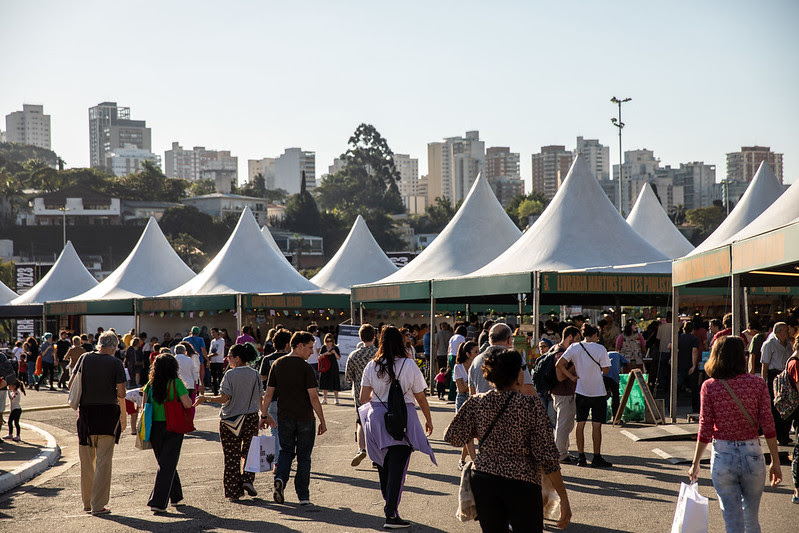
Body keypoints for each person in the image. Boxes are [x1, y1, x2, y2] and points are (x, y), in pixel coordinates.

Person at [444, 349, 571, 532]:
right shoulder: (530, 405)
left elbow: (453, 437)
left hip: (485, 479)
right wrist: (563, 498)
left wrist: (479, 431)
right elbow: (548, 456)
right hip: (522, 482)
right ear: (517, 375)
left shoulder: (476, 403)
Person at [688, 336, 782, 532]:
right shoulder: (757, 384)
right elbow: (768, 424)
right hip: (753, 453)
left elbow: (705, 427)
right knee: (751, 519)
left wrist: (695, 463)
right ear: (742, 357)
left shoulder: (710, 386)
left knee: (732, 521)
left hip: (723, 454)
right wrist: (775, 460)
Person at [359, 326, 435, 529]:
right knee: (398, 468)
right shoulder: (409, 365)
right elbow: (420, 397)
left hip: (377, 420)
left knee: (384, 466)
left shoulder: (371, 366)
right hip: (403, 420)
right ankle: (391, 514)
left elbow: (363, 398)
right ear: (400, 342)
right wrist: (428, 419)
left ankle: (389, 507)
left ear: (380, 341)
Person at [260, 331, 327, 506]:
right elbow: (313, 397)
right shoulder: (306, 368)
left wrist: (264, 415)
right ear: (299, 346)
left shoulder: (277, 364)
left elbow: (268, 394)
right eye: (310, 348)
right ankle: (303, 496)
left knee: (286, 452)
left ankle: (281, 478)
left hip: (284, 416)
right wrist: (322, 420)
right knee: (304, 456)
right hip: (305, 418)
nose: (312, 352)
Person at [68, 331, 126, 515]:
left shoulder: (84, 358)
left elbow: (71, 384)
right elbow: (122, 393)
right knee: (103, 462)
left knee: (86, 461)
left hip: (85, 415)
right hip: (107, 415)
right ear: (113, 346)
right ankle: (98, 505)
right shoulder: (116, 363)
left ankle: (86, 502)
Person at [196, 343, 263, 501]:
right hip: (251, 418)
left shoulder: (230, 375)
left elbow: (224, 398)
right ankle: (247, 479)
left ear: (237, 358)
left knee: (231, 456)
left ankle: (234, 491)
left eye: (230, 357)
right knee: (249, 452)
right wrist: (265, 415)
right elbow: (260, 398)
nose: (228, 359)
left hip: (230, 420)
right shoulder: (254, 374)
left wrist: (205, 397)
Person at [556, 323, 612, 468]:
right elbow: (606, 370)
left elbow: (559, 364)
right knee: (596, 425)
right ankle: (596, 457)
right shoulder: (600, 348)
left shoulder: (574, 347)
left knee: (580, 424)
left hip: (581, 390)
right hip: (598, 391)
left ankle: (581, 457)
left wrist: (571, 377)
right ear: (594, 335)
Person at [142, 353, 193, 513]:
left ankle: (176, 496)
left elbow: (144, 405)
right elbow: (187, 404)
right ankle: (157, 502)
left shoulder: (149, 385)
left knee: (165, 462)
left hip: (154, 426)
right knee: (167, 463)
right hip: (173, 425)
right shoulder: (176, 383)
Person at [344, 324, 378, 468]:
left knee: (361, 422)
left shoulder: (354, 355)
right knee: (377, 424)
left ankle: (361, 449)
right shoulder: (378, 354)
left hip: (360, 394)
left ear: (360, 337)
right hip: (378, 394)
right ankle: (377, 457)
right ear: (374, 336)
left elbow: (348, 377)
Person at [469, 323, 535, 396]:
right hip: (512, 405)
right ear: (509, 340)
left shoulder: (476, 361)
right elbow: (528, 390)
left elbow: (472, 392)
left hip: (483, 405)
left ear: (489, 339)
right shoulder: (514, 358)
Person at [258, 329, 291, 459]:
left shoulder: (267, 359)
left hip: (272, 399)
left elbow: (262, 377)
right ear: (287, 344)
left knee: (275, 431)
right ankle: (286, 459)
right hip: (289, 400)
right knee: (288, 432)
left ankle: (277, 460)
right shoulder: (290, 359)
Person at [760, 322, 794, 445]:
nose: (788, 333)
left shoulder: (789, 344)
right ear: (779, 332)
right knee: (776, 405)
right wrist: (763, 382)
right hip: (774, 375)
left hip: (786, 375)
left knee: (788, 403)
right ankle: (779, 435)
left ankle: (784, 433)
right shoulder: (769, 344)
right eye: (786, 330)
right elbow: (765, 364)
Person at [552, 326, 581, 463]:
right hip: (563, 393)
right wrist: (573, 369)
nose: (578, 342)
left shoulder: (556, 348)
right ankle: (561, 454)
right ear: (570, 337)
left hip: (560, 392)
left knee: (566, 424)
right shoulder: (561, 353)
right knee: (563, 425)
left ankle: (564, 451)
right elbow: (560, 376)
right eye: (576, 338)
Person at [453, 340, 478, 468]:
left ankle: (462, 459)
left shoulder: (477, 366)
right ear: (468, 354)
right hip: (463, 399)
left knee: (472, 432)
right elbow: (460, 388)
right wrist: (470, 386)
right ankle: (474, 461)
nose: (478, 354)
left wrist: (466, 385)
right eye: (476, 352)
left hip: (474, 398)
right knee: (468, 432)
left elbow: (464, 386)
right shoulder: (458, 367)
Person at [677, 321, 701, 413]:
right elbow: (694, 351)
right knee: (694, 388)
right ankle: (695, 408)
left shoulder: (678, 337)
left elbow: (670, 345)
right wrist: (694, 365)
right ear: (693, 330)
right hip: (689, 365)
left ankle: (672, 405)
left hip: (680, 364)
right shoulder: (694, 339)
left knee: (677, 386)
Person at [319, 333, 342, 404]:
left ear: (333, 341)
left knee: (335, 381)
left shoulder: (335, 348)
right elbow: (320, 356)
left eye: (330, 341)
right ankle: (324, 398)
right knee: (325, 381)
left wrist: (334, 352)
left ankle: (336, 399)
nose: (329, 343)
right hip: (325, 366)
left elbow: (338, 358)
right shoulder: (323, 347)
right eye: (327, 341)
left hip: (333, 366)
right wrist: (326, 353)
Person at [208, 328, 226, 395]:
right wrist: (208, 359)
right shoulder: (212, 341)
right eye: (211, 333)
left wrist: (209, 356)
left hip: (219, 361)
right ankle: (215, 391)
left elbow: (218, 352)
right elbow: (210, 350)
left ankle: (221, 390)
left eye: (213, 332)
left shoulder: (221, 341)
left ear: (217, 332)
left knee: (220, 376)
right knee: (213, 377)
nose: (212, 334)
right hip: (213, 361)